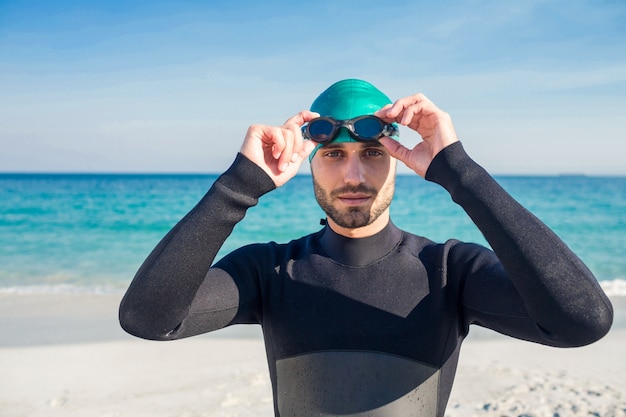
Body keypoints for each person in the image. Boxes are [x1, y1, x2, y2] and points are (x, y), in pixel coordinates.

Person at [119, 79, 613, 416]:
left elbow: (582, 320)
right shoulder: (269, 271)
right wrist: (239, 184)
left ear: (398, 159)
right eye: (333, 154)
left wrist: (458, 169)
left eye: (372, 154)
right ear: (308, 162)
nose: (353, 176)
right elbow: (148, 318)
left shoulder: (449, 271)